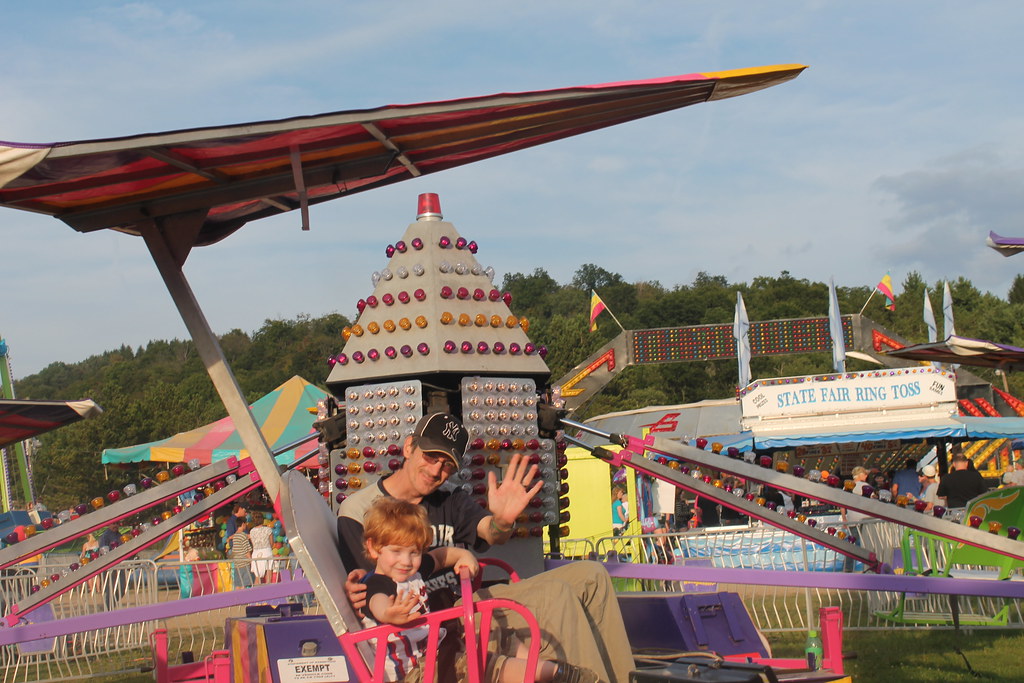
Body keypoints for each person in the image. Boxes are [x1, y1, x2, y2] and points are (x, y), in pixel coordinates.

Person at [339, 412, 634, 683]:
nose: (436, 470)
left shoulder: (450, 499)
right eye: (430, 457)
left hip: (465, 597)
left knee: (592, 576)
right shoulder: (361, 510)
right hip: (436, 620)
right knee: (554, 596)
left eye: (447, 465)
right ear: (409, 448)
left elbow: (488, 531)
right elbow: (368, 588)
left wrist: (503, 521)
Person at [361, 497, 587, 683]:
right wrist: (389, 614)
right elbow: (377, 602)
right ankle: (553, 674)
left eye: (414, 552)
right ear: (374, 548)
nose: (406, 561)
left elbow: (441, 556)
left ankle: (542, 670)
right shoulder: (378, 583)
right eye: (396, 551)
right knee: (477, 664)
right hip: (413, 675)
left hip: (434, 653)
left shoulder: (412, 573)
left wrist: (464, 556)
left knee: (496, 635)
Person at [228, 519, 253, 589]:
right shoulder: (243, 536)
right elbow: (246, 550)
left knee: (238, 584)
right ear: (243, 524)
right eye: (245, 524)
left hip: (237, 563)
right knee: (244, 585)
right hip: (244, 563)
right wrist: (251, 560)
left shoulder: (235, 536)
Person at [249, 517, 275, 584]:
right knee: (268, 574)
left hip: (256, 553)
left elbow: (253, 543)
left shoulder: (252, 531)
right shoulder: (268, 530)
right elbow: (271, 542)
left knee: (257, 577)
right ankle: (268, 592)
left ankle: (255, 593)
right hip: (267, 551)